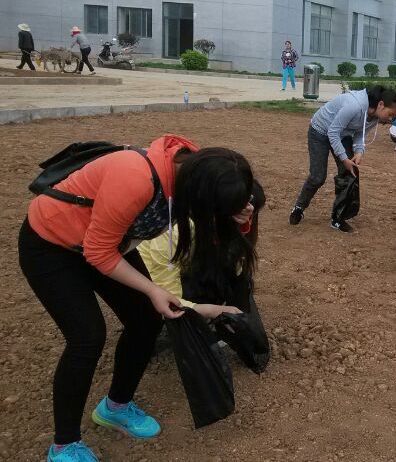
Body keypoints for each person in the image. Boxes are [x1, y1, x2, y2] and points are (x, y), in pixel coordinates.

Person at [18, 135, 258, 462]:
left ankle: (115, 407)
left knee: (145, 320)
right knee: (87, 337)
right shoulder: (135, 178)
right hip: (52, 244)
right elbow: (98, 254)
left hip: (108, 241)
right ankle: (64, 445)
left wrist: (238, 218)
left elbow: (209, 232)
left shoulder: (197, 174)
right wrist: (152, 289)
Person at [138, 179, 265, 318]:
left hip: (184, 274)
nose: (246, 223)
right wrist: (213, 310)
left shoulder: (224, 232)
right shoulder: (175, 232)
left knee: (239, 275)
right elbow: (169, 300)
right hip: (149, 286)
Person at [290, 85, 396, 231]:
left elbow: (360, 133)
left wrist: (359, 151)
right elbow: (332, 132)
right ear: (381, 104)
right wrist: (344, 158)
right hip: (320, 131)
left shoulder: (375, 116)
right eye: (390, 114)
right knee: (318, 177)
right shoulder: (354, 106)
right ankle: (299, 207)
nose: (390, 119)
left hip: (342, 133)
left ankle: (338, 218)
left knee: (350, 173)